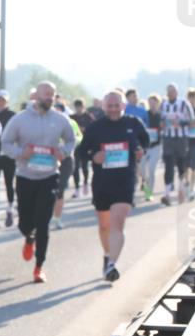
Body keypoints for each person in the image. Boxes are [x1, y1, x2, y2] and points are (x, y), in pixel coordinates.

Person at [0, 81, 76, 283]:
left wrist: (64, 152)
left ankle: (39, 266)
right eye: (46, 94)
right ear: (36, 96)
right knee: (25, 223)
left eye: (52, 94)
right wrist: (20, 153)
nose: (50, 97)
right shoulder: (20, 119)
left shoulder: (60, 119)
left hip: (49, 176)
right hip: (25, 176)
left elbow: (71, 139)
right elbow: (5, 142)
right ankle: (28, 237)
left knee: (43, 223)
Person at [77, 91, 148, 282]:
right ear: (104, 107)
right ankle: (108, 255)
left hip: (125, 180)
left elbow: (145, 141)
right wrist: (94, 156)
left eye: (117, 105)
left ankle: (111, 266)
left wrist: (141, 151)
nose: (114, 109)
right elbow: (81, 152)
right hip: (102, 182)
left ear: (123, 106)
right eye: (110, 105)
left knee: (118, 222)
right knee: (104, 226)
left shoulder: (133, 124)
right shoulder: (95, 128)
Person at [159, 83, 194, 206]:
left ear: (177, 92)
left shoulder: (184, 104)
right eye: (169, 91)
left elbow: (192, 120)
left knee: (181, 166)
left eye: (173, 91)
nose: (171, 93)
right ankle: (167, 194)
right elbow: (161, 119)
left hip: (181, 139)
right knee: (168, 166)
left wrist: (180, 123)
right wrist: (162, 124)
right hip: (168, 138)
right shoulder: (163, 104)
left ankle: (183, 191)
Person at [50, 102, 82, 230]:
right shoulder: (47, 123)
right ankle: (47, 216)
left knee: (60, 189)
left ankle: (57, 219)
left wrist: (67, 145)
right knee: (48, 189)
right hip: (49, 159)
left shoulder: (71, 123)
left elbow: (79, 137)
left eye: (60, 110)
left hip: (67, 159)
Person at [0, 89, 17, 228]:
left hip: (9, 156)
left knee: (9, 183)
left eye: (4, 100)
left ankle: (10, 209)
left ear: (7, 101)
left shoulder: (13, 116)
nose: (1, 102)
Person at [71, 99, 95, 198]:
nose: (78, 109)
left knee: (85, 166)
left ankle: (85, 183)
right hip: (75, 145)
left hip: (85, 144)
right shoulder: (72, 118)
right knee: (75, 167)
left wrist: (85, 130)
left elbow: (94, 128)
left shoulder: (88, 117)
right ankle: (77, 188)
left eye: (80, 107)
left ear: (83, 107)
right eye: (76, 107)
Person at [141, 94, 164, 201]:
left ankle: (148, 193)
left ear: (158, 103)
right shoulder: (145, 114)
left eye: (154, 102)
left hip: (156, 146)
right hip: (145, 146)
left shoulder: (162, 115)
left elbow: (165, 128)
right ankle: (145, 186)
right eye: (150, 102)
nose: (152, 104)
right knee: (143, 171)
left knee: (151, 169)